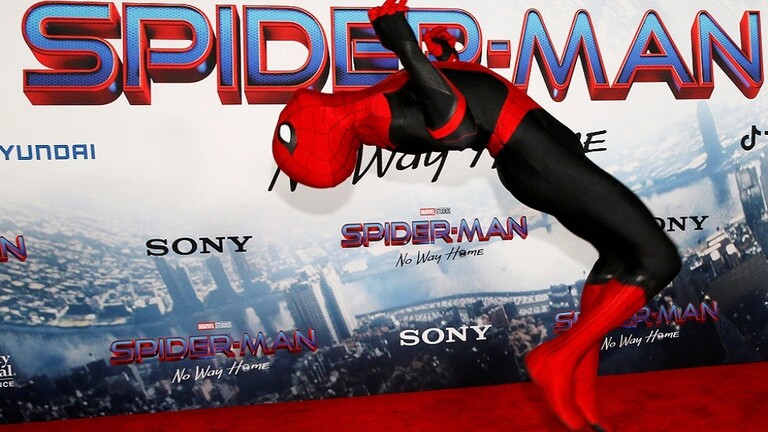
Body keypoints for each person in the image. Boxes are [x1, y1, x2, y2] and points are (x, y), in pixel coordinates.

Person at [272, 1, 681, 430]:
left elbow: (452, 95)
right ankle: (558, 358)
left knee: (616, 256)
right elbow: (458, 129)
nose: (297, 103)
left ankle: (581, 401)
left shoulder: (367, 103)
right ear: (321, 139)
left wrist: (440, 58)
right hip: (534, 158)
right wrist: (406, 47)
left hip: (540, 152)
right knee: (658, 259)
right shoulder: (378, 119)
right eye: (295, 121)